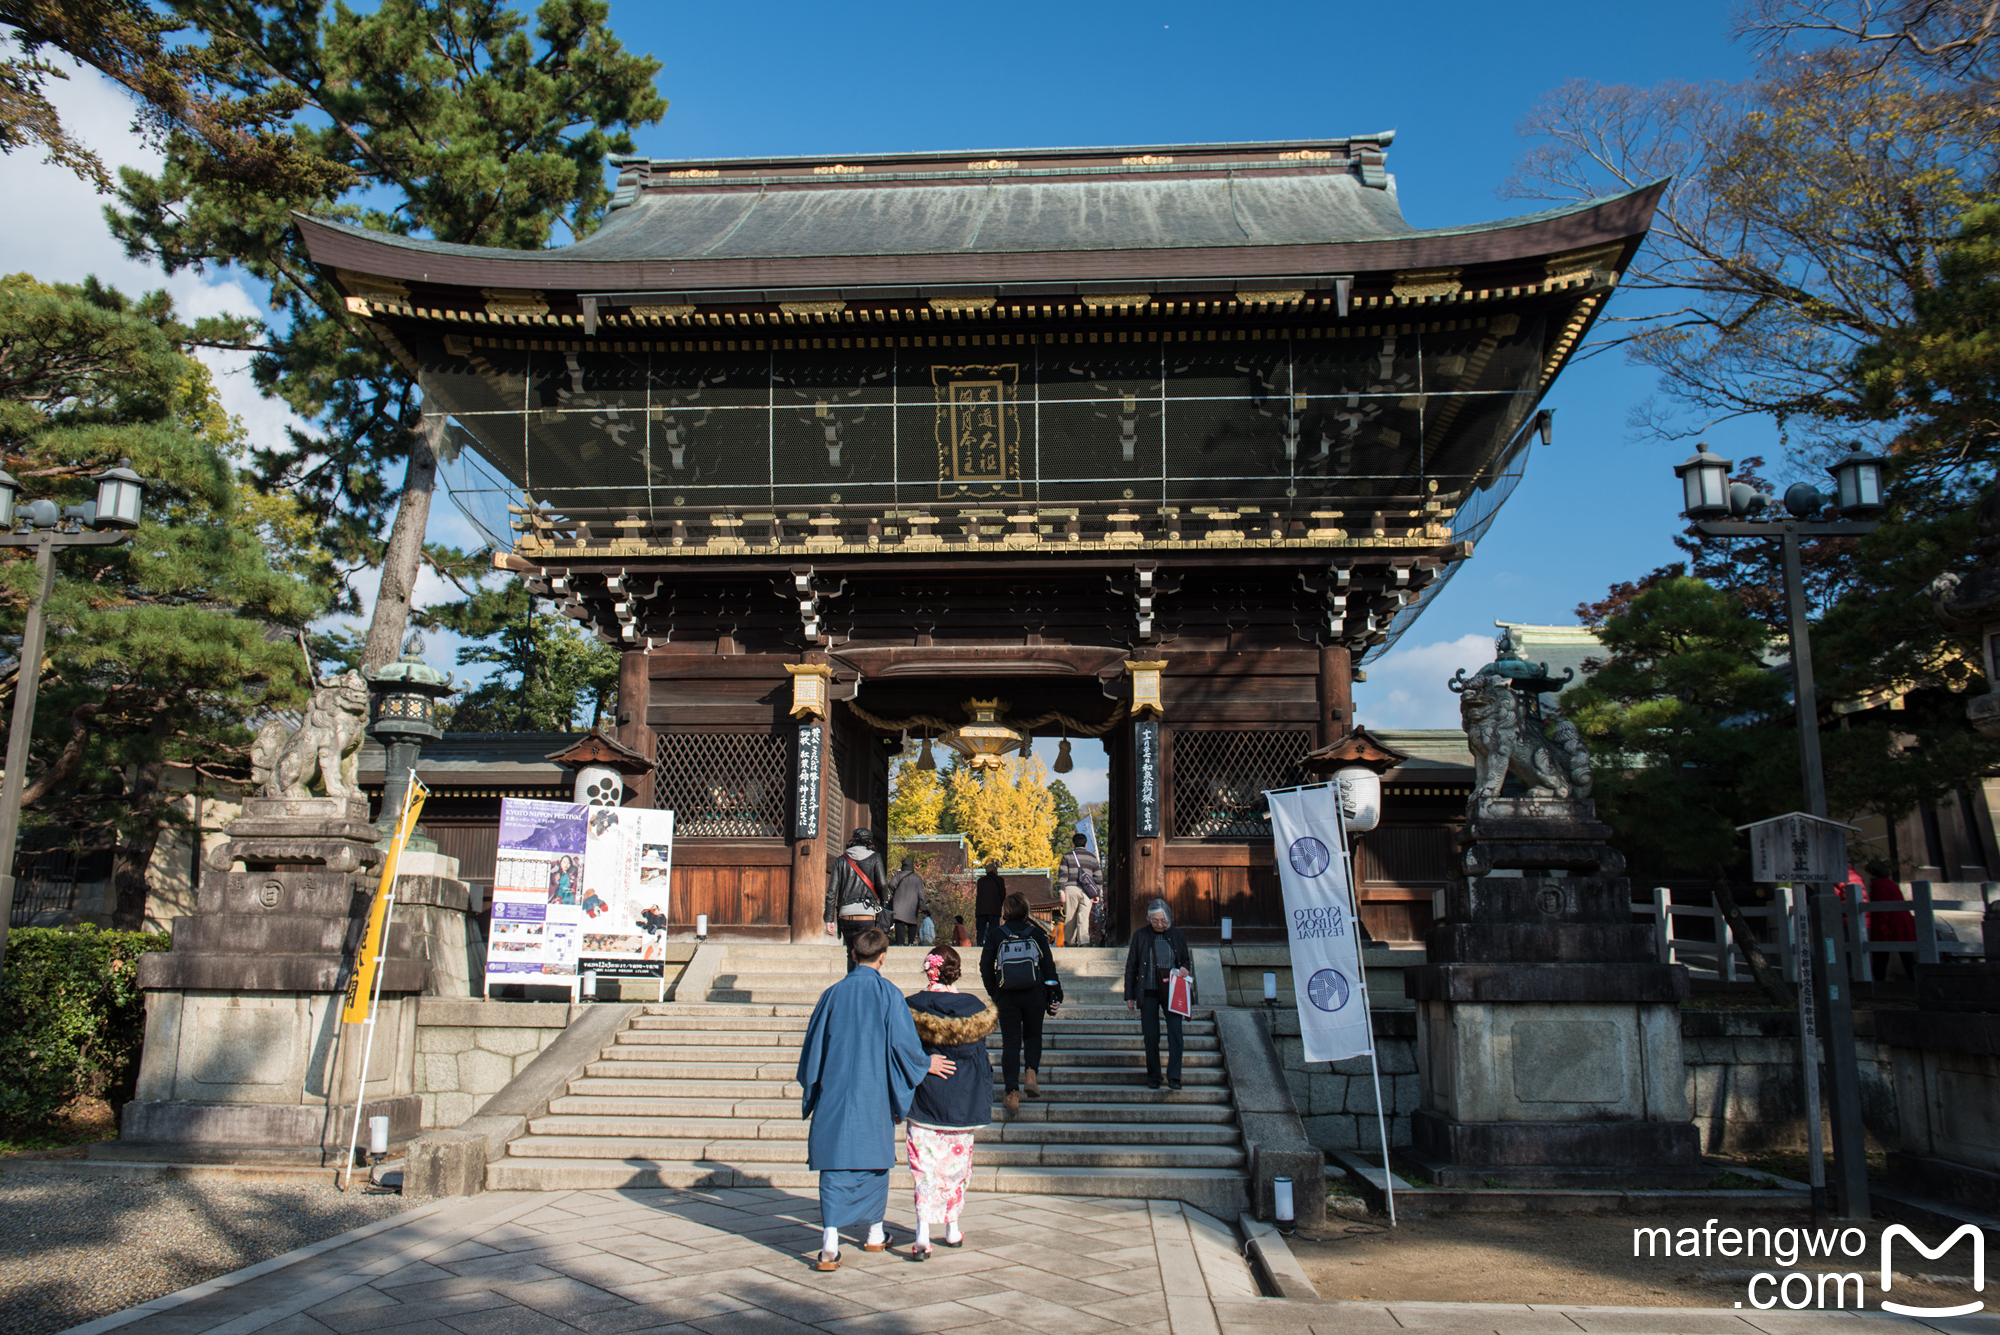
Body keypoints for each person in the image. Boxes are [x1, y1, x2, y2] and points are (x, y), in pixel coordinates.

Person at [796, 927, 952, 1271]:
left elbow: (813, 1049)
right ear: (883, 957)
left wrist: (813, 1087)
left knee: (835, 1164)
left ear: (854, 955)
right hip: (874, 1090)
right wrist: (926, 1063)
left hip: (835, 1091)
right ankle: (874, 1233)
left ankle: (830, 1243)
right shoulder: (889, 995)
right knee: (874, 1161)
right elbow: (905, 1047)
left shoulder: (832, 995)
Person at [903, 945, 994, 1260]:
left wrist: (924, 1063)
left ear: (928, 969)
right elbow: (982, 1064)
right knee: (956, 1168)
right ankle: (952, 1227)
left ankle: (922, 1234)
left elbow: (899, 1050)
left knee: (924, 1169)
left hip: (925, 1099)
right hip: (961, 1102)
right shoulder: (973, 1009)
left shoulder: (911, 1007)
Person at [980, 892, 1062, 1112]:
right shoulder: (1036, 934)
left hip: (1007, 995)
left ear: (1005, 912)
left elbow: (985, 967)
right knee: (1033, 1035)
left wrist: (994, 992)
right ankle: (1031, 1075)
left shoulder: (997, 935)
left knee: (1011, 1043)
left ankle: (1012, 1094)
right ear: (1026, 910)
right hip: (1034, 993)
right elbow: (1049, 968)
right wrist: (1054, 995)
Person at [1124, 897, 1192, 1091]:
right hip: (1148, 991)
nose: (1159, 924)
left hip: (1172, 991)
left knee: (1175, 1033)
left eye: (1163, 921)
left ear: (1169, 919)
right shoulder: (1140, 936)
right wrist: (1130, 995)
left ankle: (1174, 1077)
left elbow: (1185, 960)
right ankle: (1154, 1075)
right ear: (1149, 918)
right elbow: (1131, 967)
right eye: (1155, 921)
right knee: (1151, 1036)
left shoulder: (1178, 935)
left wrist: (1185, 969)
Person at [823, 828, 890, 973]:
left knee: (850, 952)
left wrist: (829, 919)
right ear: (869, 842)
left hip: (846, 915)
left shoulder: (840, 860)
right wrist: (884, 902)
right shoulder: (875, 858)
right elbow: (883, 884)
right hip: (867, 914)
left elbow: (831, 892)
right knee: (869, 953)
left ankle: (851, 983)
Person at [1866, 862, 1917, 980]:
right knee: (1907, 956)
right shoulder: (1889, 884)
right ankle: (1916, 981)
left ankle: (1879, 985)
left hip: (1890, 924)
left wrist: (1882, 927)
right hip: (1900, 923)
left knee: (1880, 956)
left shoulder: (1879, 886)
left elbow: (1882, 908)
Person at [1056, 833, 1101, 948]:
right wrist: (1097, 893)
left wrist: (1061, 890)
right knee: (1084, 916)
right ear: (1086, 845)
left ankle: (1070, 942)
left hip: (1070, 889)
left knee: (1070, 916)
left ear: (1074, 844)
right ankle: (1084, 941)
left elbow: (1063, 875)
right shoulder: (1092, 858)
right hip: (1087, 891)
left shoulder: (1067, 856)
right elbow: (1098, 877)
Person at [889, 857, 928, 947]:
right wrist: (922, 907)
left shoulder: (898, 875)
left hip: (899, 903)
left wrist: (896, 892)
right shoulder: (917, 878)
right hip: (912, 905)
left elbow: (891, 884)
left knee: (899, 922)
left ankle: (900, 943)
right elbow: (921, 894)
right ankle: (911, 942)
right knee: (912, 923)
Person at [974, 859, 1007, 946]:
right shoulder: (999, 880)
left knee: (981, 928)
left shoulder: (981, 881)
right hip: (994, 909)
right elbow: (1002, 894)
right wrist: (1001, 903)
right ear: (994, 871)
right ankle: (992, 944)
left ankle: (980, 943)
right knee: (993, 928)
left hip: (981, 909)